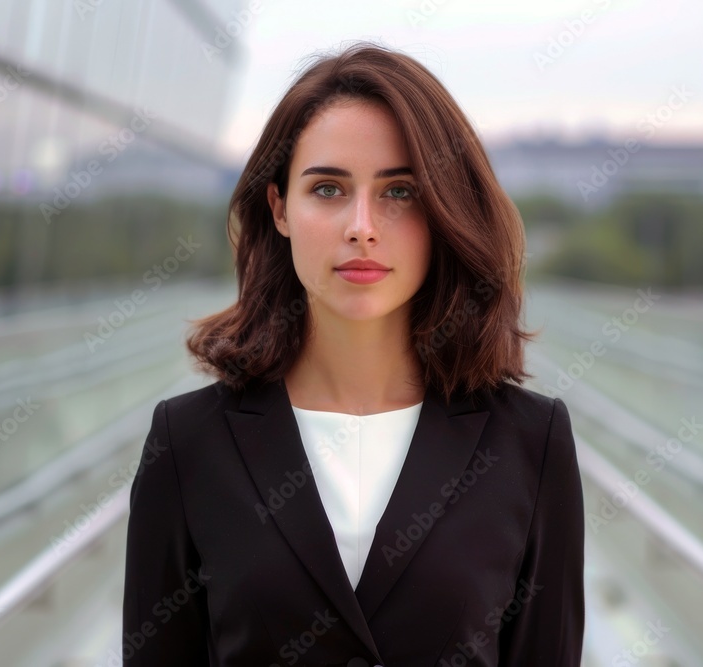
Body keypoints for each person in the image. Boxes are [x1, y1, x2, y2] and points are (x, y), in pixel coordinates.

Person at [122, 40, 585, 666]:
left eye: (400, 192)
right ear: (280, 208)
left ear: (446, 210)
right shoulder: (187, 442)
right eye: (329, 189)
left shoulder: (531, 442)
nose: (361, 226)